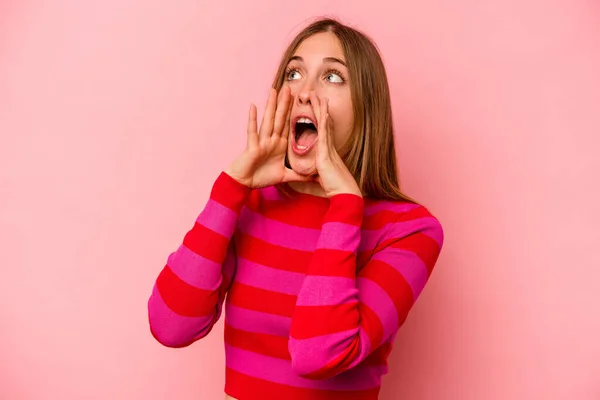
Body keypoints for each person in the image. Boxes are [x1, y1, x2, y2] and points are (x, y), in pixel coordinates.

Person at [147, 17, 444, 400]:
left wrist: (345, 206)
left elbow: (317, 356)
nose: (305, 91)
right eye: (294, 73)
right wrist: (230, 188)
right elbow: (171, 326)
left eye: (333, 77)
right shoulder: (250, 204)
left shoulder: (410, 231)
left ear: (367, 107)